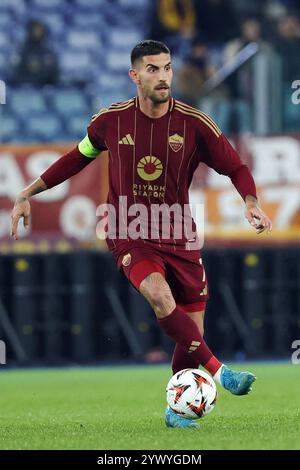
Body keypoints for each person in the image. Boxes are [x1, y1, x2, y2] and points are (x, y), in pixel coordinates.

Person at [11, 40, 272, 429]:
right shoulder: (110, 121)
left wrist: (251, 201)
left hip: (180, 234)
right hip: (129, 229)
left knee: (191, 332)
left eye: (167, 68)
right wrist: (28, 191)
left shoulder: (195, 124)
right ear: (135, 76)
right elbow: (75, 158)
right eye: (153, 69)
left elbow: (235, 167)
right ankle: (221, 372)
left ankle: (175, 411)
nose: (163, 76)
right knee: (157, 293)